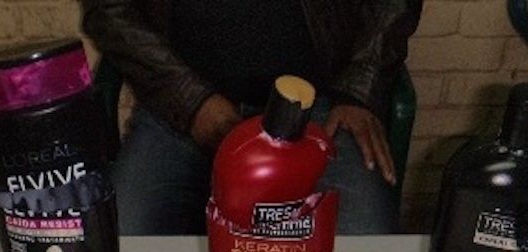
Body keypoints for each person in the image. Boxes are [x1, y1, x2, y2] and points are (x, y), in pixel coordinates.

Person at [81, 0, 422, 234]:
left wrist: (358, 90)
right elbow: (108, 11)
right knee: (117, 248)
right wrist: (191, 102)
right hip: (180, 112)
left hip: (319, 110)